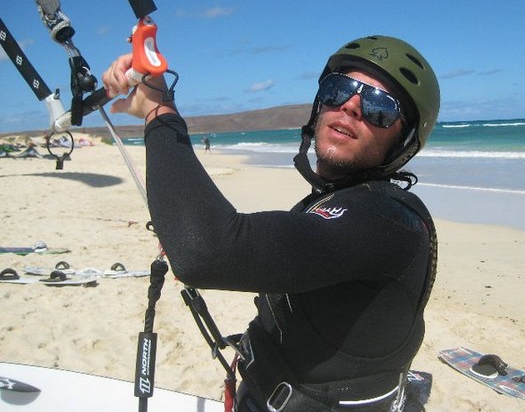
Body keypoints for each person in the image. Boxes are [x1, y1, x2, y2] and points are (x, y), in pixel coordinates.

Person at [102, 35, 440, 412]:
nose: (350, 106)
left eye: (380, 107)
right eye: (338, 89)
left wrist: (158, 109)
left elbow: (207, 250)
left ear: (404, 139)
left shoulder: (387, 222)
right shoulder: (334, 201)